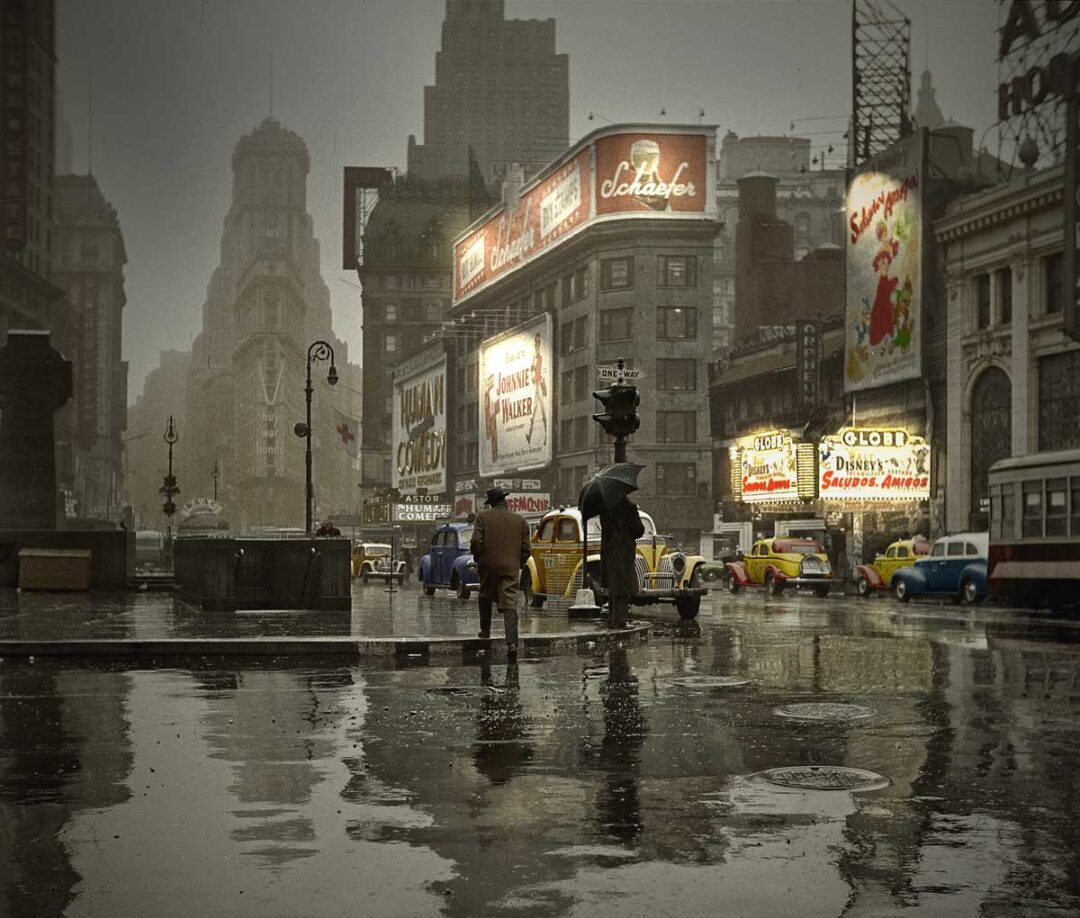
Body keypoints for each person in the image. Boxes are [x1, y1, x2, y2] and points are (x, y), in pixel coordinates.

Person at [471, 487, 532, 658]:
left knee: (485, 596)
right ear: (505, 501)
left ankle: (485, 632)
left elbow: (476, 542)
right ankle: (511, 643)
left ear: (491, 503)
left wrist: (478, 558)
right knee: (510, 602)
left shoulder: (482, 517)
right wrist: (518, 563)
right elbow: (527, 549)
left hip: (487, 565)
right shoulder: (520, 520)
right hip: (510, 566)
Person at [599, 495, 644, 630]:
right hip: (624, 553)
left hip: (609, 553)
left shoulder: (605, 509)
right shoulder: (629, 507)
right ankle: (619, 622)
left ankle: (613, 620)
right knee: (623, 588)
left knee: (614, 588)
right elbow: (639, 530)